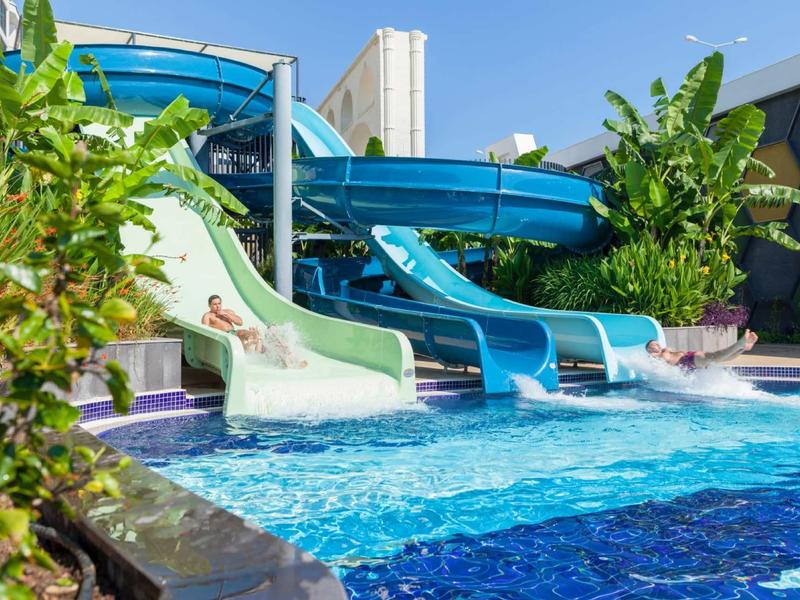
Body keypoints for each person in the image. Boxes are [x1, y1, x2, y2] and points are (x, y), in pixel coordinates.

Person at [201, 294, 307, 368]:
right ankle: (258, 340)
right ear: (209, 305)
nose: (217, 306)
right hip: (229, 337)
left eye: (219, 303)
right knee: (246, 334)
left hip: (237, 333)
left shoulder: (227, 312)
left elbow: (240, 322)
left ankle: (290, 358)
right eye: (214, 304)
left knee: (271, 332)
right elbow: (205, 331)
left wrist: (227, 315)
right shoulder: (208, 316)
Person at [645, 329, 758, 370]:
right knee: (718, 356)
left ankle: (742, 346)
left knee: (721, 357)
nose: (658, 345)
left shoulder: (664, 350)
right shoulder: (653, 356)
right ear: (649, 349)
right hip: (688, 362)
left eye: (657, 343)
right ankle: (741, 345)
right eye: (654, 344)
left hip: (690, 358)